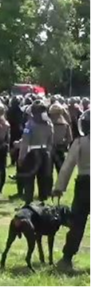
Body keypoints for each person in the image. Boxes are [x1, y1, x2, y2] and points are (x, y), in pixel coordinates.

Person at [53, 109, 91, 271]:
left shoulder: (80, 142)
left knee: (77, 223)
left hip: (84, 185)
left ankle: (67, 258)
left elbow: (67, 166)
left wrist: (59, 187)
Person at [18, 100, 54, 204]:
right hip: (44, 153)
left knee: (29, 178)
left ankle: (28, 202)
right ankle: (43, 201)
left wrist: (21, 157)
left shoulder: (30, 124)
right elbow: (50, 141)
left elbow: (25, 142)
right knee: (43, 178)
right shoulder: (49, 124)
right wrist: (48, 153)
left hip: (32, 153)